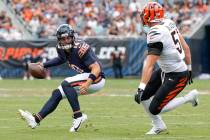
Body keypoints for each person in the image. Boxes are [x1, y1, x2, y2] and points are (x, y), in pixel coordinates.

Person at [19, 24, 105, 132]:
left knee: (66, 83)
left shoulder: (80, 48)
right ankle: (36, 120)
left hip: (96, 79)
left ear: (72, 37)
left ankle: (78, 116)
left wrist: (87, 83)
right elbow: (61, 59)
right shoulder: (60, 48)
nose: (66, 41)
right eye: (63, 39)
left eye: (68, 38)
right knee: (57, 93)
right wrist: (44, 65)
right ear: (59, 40)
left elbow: (97, 68)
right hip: (84, 76)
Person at [134, 2, 199, 135]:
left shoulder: (155, 32)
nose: (142, 17)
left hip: (177, 75)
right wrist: (190, 68)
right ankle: (158, 125)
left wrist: (141, 87)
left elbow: (150, 65)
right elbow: (186, 47)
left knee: (155, 109)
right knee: (144, 97)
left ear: (150, 16)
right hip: (167, 70)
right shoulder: (168, 23)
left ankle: (190, 97)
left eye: (144, 14)